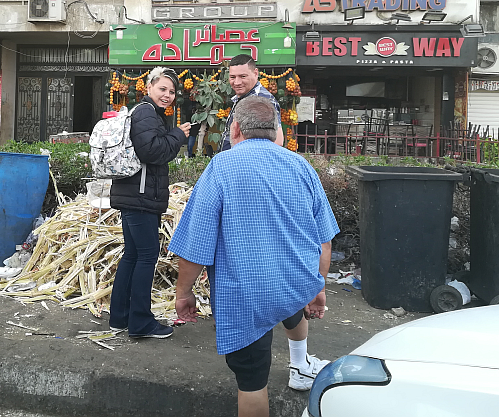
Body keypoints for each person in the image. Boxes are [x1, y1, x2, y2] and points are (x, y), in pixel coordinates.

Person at [170, 97, 339, 416]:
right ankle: (300, 364)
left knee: (252, 384)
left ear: (235, 129)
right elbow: (323, 240)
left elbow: (196, 244)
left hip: (245, 295)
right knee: (290, 307)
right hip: (293, 283)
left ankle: (295, 368)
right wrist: (317, 288)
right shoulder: (301, 166)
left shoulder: (220, 166)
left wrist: (184, 294)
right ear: (278, 131)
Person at [109, 67, 191, 339]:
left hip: (136, 196)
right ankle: (141, 322)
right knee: (145, 256)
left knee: (133, 255)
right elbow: (153, 151)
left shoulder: (148, 113)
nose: (167, 95)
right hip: (140, 197)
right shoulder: (145, 112)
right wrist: (178, 135)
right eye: (162, 89)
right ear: (149, 88)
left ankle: (120, 317)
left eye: (171, 91)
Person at [220, 54, 281, 152]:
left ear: (255, 73)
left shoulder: (262, 99)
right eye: (232, 77)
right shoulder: (243, 97)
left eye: (243, 76)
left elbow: (277, 141)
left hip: (246, 163)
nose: (237, 82)